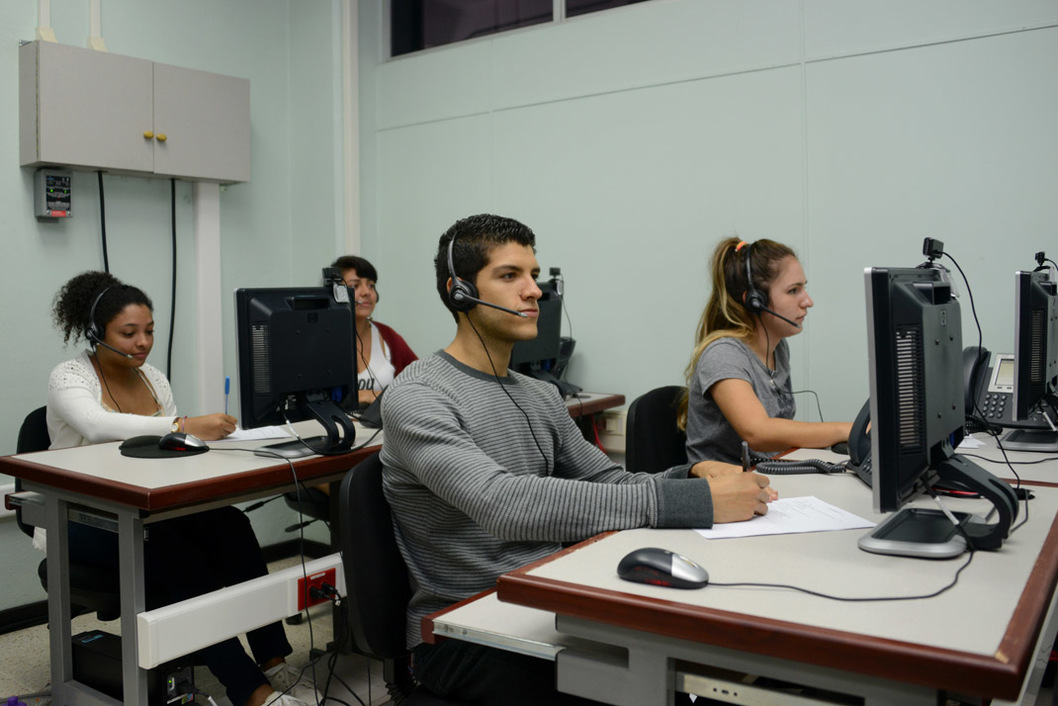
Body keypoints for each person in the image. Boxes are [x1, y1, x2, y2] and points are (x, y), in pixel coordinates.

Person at [380, 214, 776, 706]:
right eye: (510, 276)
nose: (534, 291)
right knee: (653, 691)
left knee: (711, 659)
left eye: (533, 274)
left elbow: (607, 478)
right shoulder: (418, 396)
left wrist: (689, 473)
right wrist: (693, 500)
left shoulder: (539, 395)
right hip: (465, 630)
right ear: (459, 291)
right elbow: (504, 504)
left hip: (551, 597)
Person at [45, 271, 316, 706]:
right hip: (83, 519)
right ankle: (253, 692)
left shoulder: (153, 378)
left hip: (146, 510)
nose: (143, 342)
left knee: (232, 527)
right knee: (182, 560)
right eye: (129, 333)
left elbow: (164, 450)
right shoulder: (70, 377)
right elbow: (98, 428)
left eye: (149, 331)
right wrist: (184, 424)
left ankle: (273, 660)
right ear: (99, 333)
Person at [679, 238, 852, 465]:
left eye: (804, 288)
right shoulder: (723, 354)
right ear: (755, 301)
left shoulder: (778, 347)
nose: (807, 301)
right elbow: (758, 433)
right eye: (793, 291)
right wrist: (847, 429)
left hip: (767, 478)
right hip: (724, 491)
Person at [330, 255, 417, 407]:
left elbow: (421, 382)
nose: (366, 292)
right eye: (355, 286)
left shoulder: (388, 335)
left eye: (371, 285)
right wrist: (360, 396)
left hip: (381, 428)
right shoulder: (322, 340)